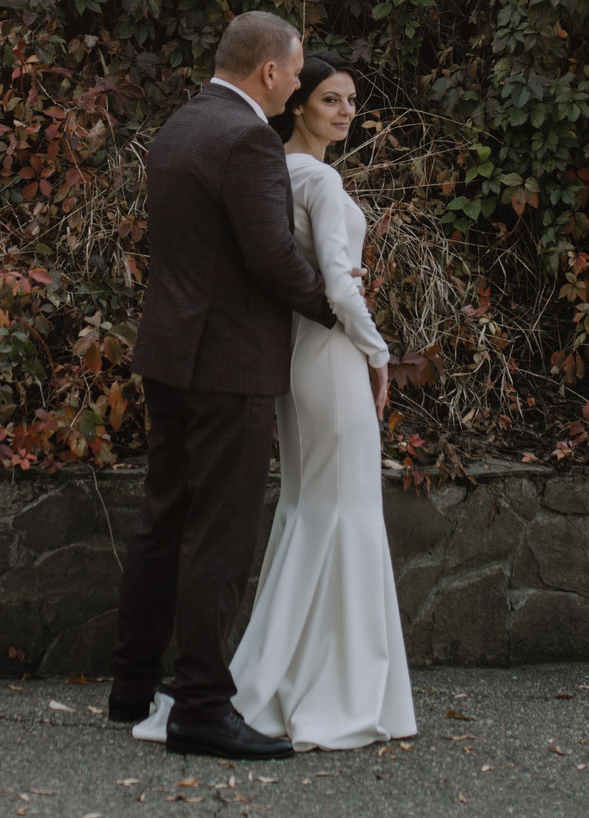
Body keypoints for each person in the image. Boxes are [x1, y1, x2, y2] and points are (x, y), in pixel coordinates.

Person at [130, 49, 417, 753]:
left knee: (305, 506)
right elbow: (335, 285)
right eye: (328, 99)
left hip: (285, 350)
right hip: (329, 350)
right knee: (341, 508)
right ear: (293, 99)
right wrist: (379, 352)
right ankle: (332, 683)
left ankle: (271, 668)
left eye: (351, 100)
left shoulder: (263, 163)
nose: (344, 110)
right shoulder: (310, 174)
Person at [106, 11, 334, 760]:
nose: (299, 83)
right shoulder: (248, 141)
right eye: (296, 71)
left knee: (164, 516)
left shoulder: (179, 126)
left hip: (169, 353)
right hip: (228, 362)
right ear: (269, 71)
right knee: (222, 531)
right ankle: (202, 703)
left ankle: (133, 685)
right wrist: (337, 310)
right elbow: (270, 257)